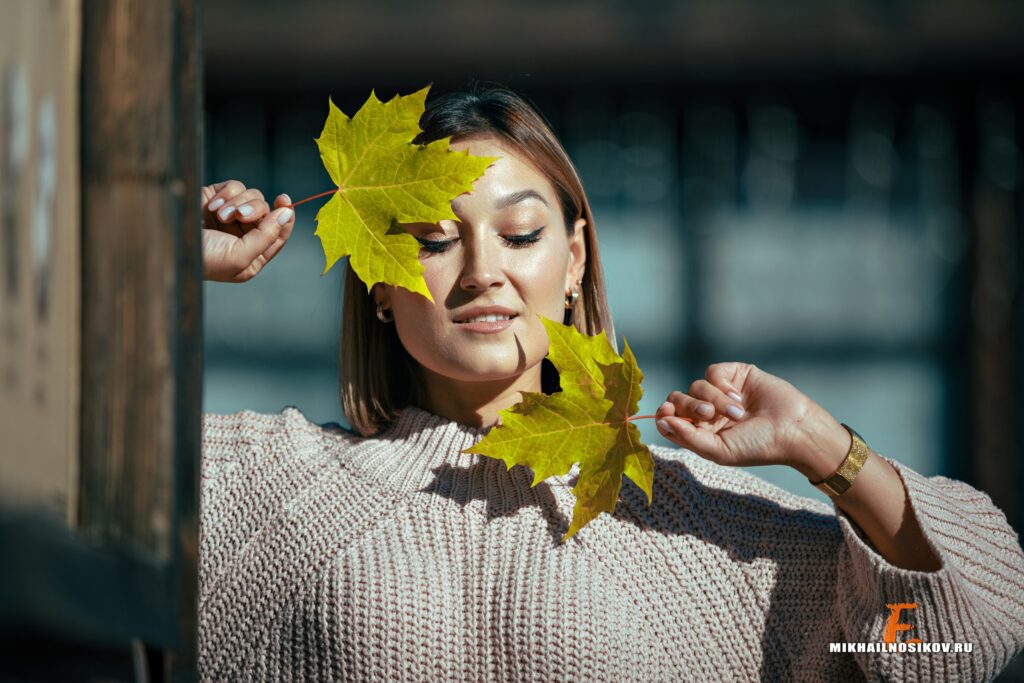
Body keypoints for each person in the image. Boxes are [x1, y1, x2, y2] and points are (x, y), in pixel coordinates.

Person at [197, 85, 1024, 682]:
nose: (484, 271)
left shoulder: (690, 529)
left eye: (520, 233)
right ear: (379, 280)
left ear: (576, 260)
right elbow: (75, 486)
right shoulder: (268, 489)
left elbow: (955, 642)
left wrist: (822, 446)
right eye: (435, 238)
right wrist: (163, 257)